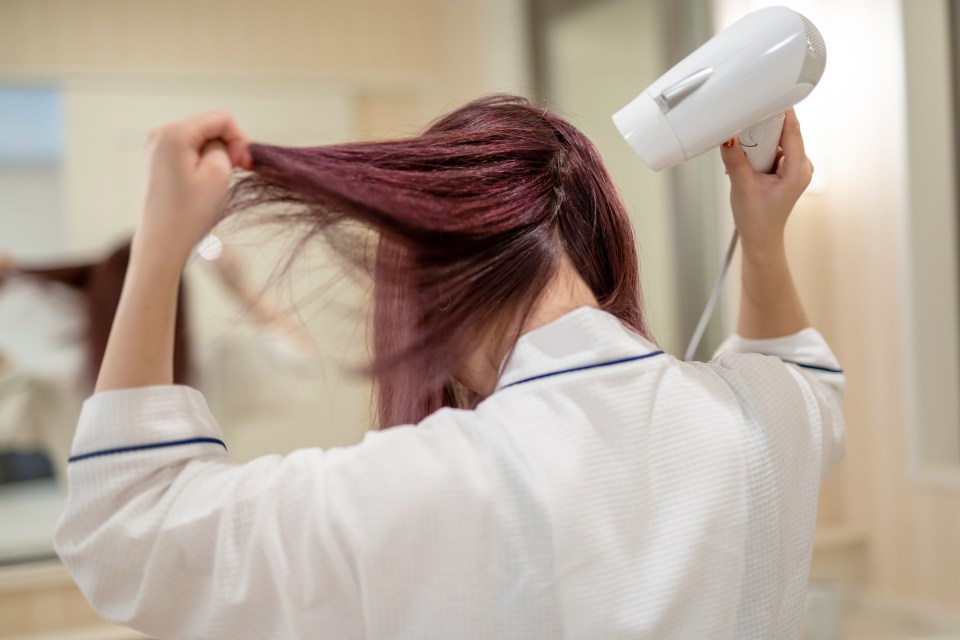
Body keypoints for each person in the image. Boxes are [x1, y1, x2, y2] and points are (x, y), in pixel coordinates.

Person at [53, 97, 844, 639]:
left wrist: (156, 250)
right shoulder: (769, 421)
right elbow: (796, 368)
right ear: (602, 250)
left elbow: (127, 528)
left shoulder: (425, 483)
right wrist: (764, 237)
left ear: (429, 283)